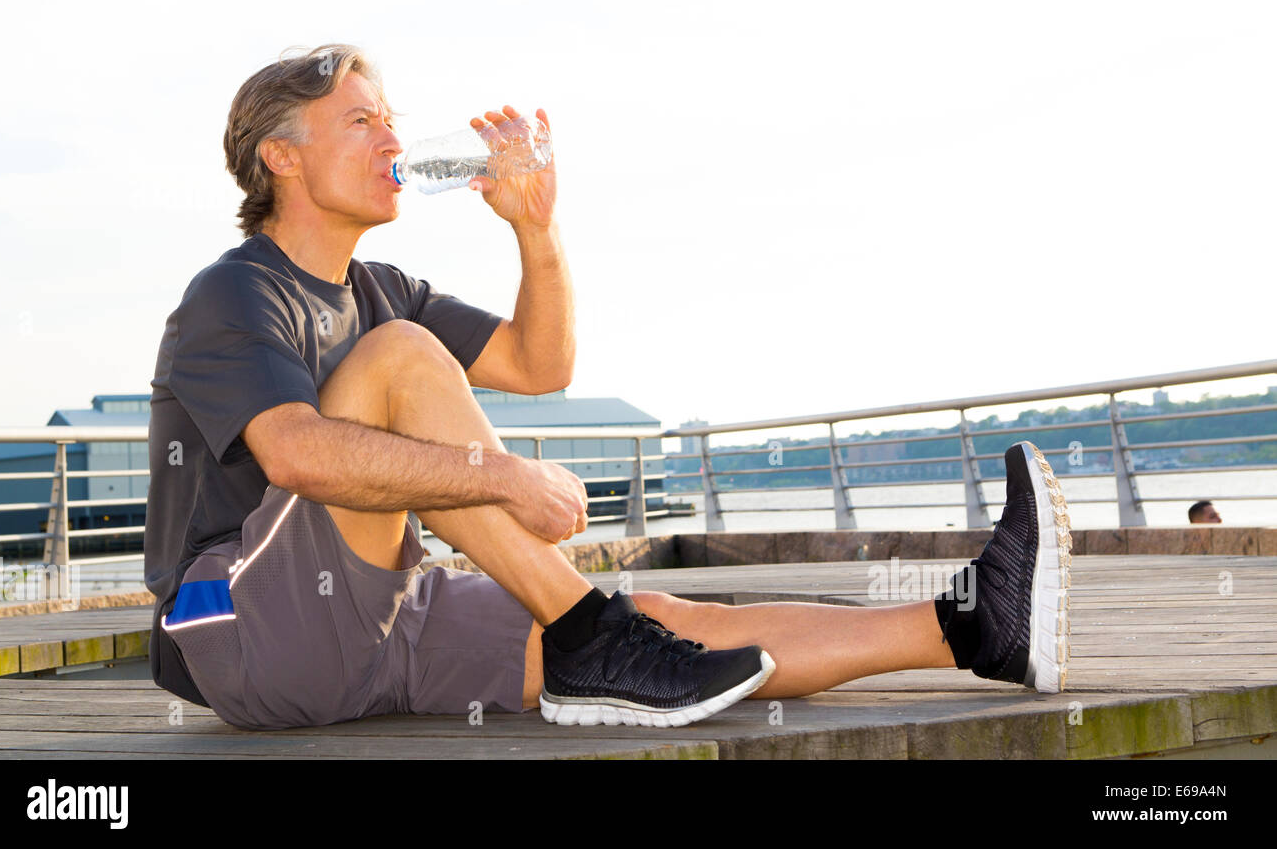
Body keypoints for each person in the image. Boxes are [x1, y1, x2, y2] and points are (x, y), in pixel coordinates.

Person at [143, 44, 1072, 731]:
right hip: (244, 622)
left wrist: (535, 230)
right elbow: (297, 451)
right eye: (362, 119)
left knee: (660, 622)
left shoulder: (384, 288)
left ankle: (974, 624)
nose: (393, 135)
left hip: (381, 618)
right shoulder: (237, 291)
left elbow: (540, 366)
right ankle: (588, 628)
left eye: (391, 115)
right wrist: (505, 481)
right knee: (403, 358)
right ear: (281, 157)